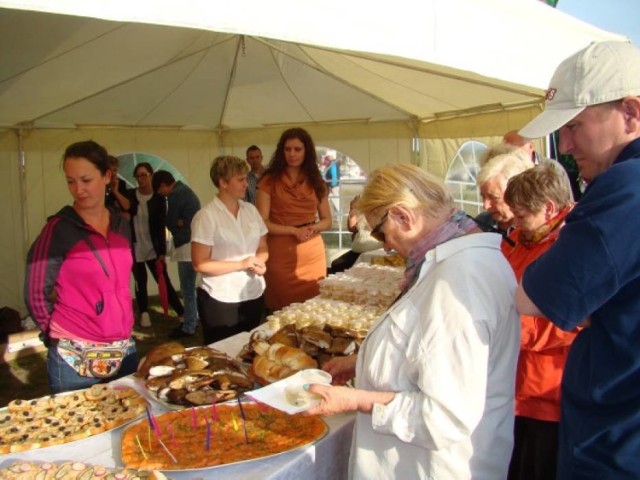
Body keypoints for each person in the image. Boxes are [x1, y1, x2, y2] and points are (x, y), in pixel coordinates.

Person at [305, 164, 520, 479]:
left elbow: (444, 416)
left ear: (403, 216)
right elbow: (428, 350)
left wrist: (355, 399)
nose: (387, 245)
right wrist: (362, 360)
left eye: (381, 232)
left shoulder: (457, 281)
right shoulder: (459, 260)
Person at [515, 40, 640, 479]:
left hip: (615, 440)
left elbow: (532, 298)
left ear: (631, 112)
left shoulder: (625, 187)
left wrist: (588, 306)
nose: (565, 145)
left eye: (575, 124)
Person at [24, 140, 138, 394]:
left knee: (130, 427)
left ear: (107, 176)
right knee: (81, 431)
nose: (78, 189)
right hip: (75, 354)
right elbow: (35, 292)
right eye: (70, 181)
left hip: (123, 347)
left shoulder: (121, 224)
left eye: (86, 180)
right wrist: (58, 336)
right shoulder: (58, 229)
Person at [500, 165, 579, 480]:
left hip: (546, 392)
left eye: (521, 215)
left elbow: (568, 317)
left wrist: (510, 331)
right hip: (513, 384)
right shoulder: (520, 238)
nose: (514, 222)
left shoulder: (571, 244)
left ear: (548, 209)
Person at [191, 155, 268, 344]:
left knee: (251, 350)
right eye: (240, 179)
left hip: (253, 292)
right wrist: (242, 263)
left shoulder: (250, 210)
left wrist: (261, 262)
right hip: (221, 298)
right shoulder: (206, 217)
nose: (246, 184)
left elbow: (263, 246)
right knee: (223, 353)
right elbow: (200, 263)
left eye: (246, 178)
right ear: (223, 182)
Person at [256, 127, 332, 312]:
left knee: (312, 309)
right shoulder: (269, 180)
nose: (292, 154)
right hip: (280, 253)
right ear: (281, 151)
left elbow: (327, 220)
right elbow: (262, 223)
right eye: (287, 149)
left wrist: (312, 229)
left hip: (311, 252)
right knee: (280, 309)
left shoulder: (316, 180)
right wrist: (293, 230)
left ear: (307, 151)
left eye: (297, 149)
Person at [126, 163, 184, 328]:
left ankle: (181, 312)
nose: (141, 179)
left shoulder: (159, 198)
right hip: (135, 247)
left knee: (163, 280)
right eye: (138, 176)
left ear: (151, 176)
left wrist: (162, 252)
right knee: (140, 281)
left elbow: (160, 227)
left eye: (144, 175)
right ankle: (144, 313)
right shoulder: (130, 195)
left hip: (153, 247)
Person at [151, 170, 201, 339]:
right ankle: (194, 318)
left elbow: (169, 221)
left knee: (187, 288)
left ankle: (189, 326)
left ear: (164, 185)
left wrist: (178, 223)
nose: (161, 194)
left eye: (160, 190)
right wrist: (180, 222)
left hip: (185, 245)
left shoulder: (176, 195)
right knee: (190, 287)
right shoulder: (185, 190)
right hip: (191, 243)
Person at [475, 151, 533, 237]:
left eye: (494, 197)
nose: (485, 205)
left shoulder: (532, 229)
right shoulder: (481, 224)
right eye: (482, 196)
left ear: (518, 194)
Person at [329, 194, 383, 273]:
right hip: (357, 250)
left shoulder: (383, 208)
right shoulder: (363, 203)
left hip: (374, 251)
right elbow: (352, 228)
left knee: (343, 267)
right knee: (336, 264)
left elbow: (376, 228)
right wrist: (353, 209)